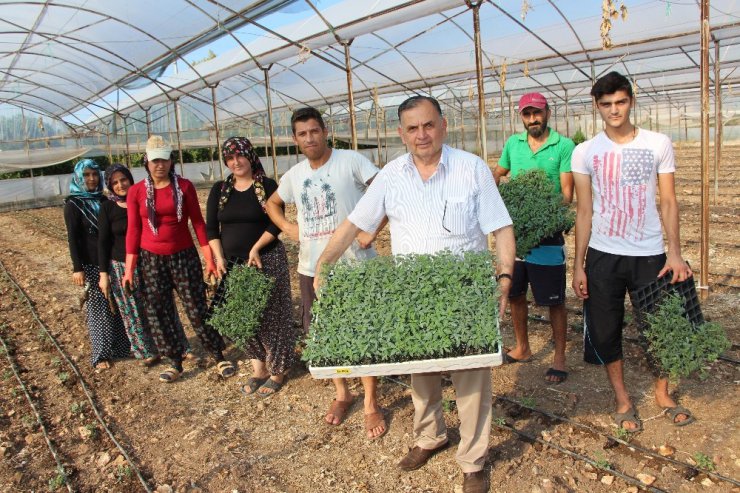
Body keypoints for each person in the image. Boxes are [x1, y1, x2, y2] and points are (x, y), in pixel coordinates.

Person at [314, 96, 515, 493]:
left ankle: (473, 461)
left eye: (428, 125)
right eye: (412, 128)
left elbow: (501, 228)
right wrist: (324, 264)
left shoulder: (471, 168)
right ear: (401, 133)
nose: (421, 135)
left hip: (464, 293)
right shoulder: (391, 175)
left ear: (443, 125)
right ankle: (430, 437)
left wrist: (504, 277)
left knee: (471, 380)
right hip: (413, 293)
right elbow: (354, 224)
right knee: (420, 375)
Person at [571, 71, 695, 431]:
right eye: (607, 104)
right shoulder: (585, 152)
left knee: (659, 326)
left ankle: (662, 392)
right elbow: (583, 211)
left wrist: (675, 252)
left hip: (650, 253)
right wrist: (578, 266)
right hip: (603, 254)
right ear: (597, 106)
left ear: (631, 101)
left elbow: (669, 201)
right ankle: (623, 400)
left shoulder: (658, 143)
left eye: (621, 102)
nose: (614, 110)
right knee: (606, 328)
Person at [265, 107, 387, 439]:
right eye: (302, 134)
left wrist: (373, 230)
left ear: (325, 131)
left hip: (355, 267)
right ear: (295, 139)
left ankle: (371, 402)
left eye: (314, 131)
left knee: (365, 332)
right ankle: (342, 393)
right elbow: (271, 204)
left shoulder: (351, 161)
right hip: (311, 268)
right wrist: (289, 228)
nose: (309, 138)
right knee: (324, 334)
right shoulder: (293, 175)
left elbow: (385, 191)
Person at [124, 135, 235, 383]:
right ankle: (174, 361)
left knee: (196, 309)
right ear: (147, 162)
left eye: (164, 160)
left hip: (183, 257)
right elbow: (133, 230)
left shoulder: (184, 187)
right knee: (159, 311)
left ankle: (218, 355)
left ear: (171, 160)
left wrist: (210, 259)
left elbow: (197, 223)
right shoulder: (136, 192)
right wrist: (129, 269)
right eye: (154, 161)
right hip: (151, 259)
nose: (159, 165)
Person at [206, 137, 297, 397]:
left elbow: (275, 223)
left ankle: (278, 370)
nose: (236, 162)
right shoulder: (221, 190)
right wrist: (218, 257)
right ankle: (259, 369)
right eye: (230, 159)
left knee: (272, 317)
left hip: (265, 259)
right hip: (233, 264)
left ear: (250, 156)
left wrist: (256, 248)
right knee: (241, 320)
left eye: (240, 156)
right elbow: (211, 227)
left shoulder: (266, 186)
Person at [494, 92, 574, 384]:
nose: (532, 119)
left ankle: (560, 357)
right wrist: (496, 201)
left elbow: (566, 195)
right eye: (527, 114)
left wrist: (537, 213)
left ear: (547, 113)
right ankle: (523, 347)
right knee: (515, 293)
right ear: (522, 116)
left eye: (537, 113)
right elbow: (498, 173)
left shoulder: (564, 146)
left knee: (554, 300)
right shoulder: (512, 145)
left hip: (547, 233)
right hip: (514, 235)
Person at [64, 159, 130, 369]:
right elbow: (73, 238)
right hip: (90, 264)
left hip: (111, 261)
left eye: (94, 174)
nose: (91, 179)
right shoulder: (73, 205)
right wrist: (77, 268)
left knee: (119, 305)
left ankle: (122, 348)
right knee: (99, 308)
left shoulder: (104, 201)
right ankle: (101, 355)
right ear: (78, 178)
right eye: (86, 175)